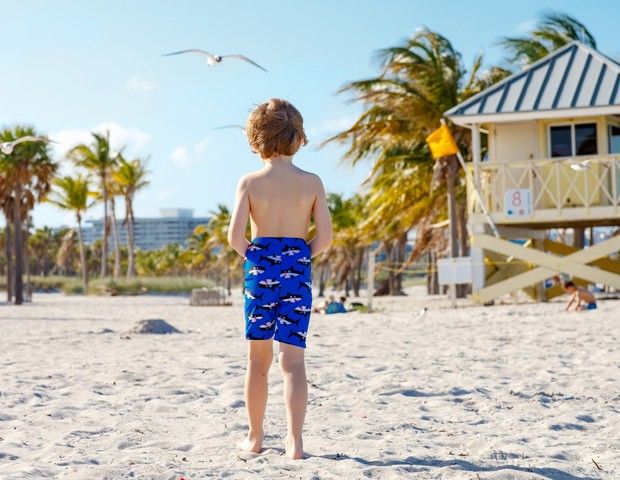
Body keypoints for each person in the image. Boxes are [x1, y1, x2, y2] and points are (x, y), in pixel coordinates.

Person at [227, 98, 333, 459]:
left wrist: (259, 258)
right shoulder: (312, 182)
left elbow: (234, 237)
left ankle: (255, 438)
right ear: (299, 137)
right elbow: (326, 237)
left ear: (254, 139)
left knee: (258, 362)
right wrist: (300, 256)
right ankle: (295, 442)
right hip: (297, 271)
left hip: (260, 270)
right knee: (293, 362)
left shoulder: (250, 182)